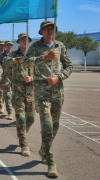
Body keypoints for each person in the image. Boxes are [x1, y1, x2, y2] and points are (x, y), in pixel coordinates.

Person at [24, 20, 73, 178]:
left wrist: (59, 77)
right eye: (46, 29)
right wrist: (45, 57)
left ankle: (44, 149)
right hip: (41, 90)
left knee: (55, 127)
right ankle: (51, 162)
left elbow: (69, 66)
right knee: (46, 125)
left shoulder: (60, 46)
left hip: (57, 90)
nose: (50, 31)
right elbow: (26, 62)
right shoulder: (35, 47)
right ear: (41, 32)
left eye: (52, 29)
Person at [1, 32, 35, 156]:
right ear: (19, 42)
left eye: (27, 40)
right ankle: (24, 144)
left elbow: (42, 70)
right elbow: (5, 62)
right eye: (22, 40)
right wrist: (19, 60)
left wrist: (32, 78)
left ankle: (22, 133)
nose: (25, 42)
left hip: (32, 90)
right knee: (20, 116)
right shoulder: (14, 55)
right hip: (18, 89)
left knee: (31, 118)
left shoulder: (34, 55)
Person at [0, 40, 14, 119]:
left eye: (10, 45)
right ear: (5, 47)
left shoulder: (15, 55)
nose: (9, 47)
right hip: (6, 78)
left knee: (15, 97)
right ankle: (10, 112)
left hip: (16, 78)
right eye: (7, 45)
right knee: (7, 96)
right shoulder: (1, 56)